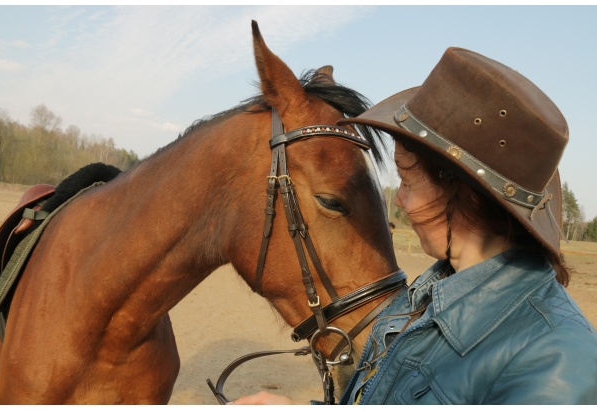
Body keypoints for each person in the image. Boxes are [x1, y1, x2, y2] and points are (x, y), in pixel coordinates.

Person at [231, 47, 597, 405]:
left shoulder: (557, 362)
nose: (401, 201)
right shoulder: (421, 298)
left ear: (462, 192)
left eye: (407, 181)